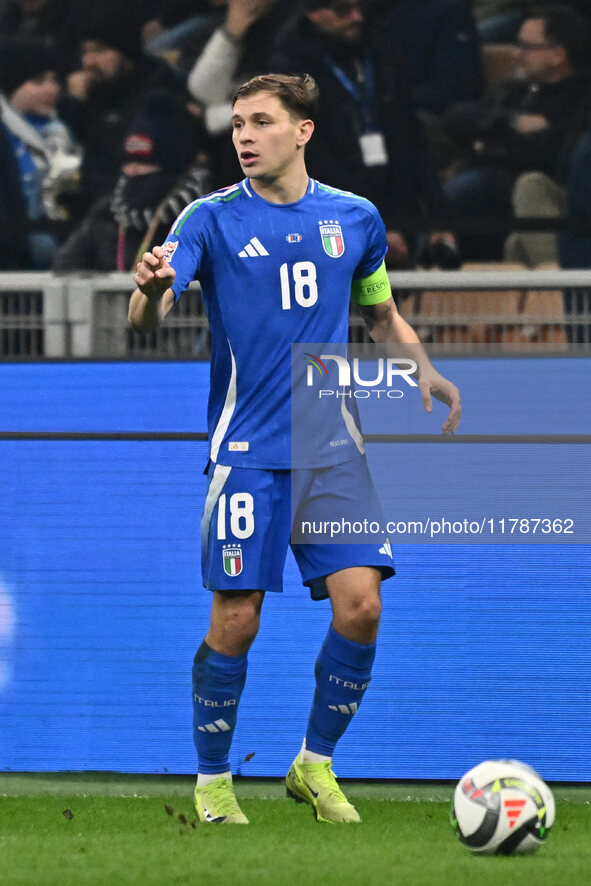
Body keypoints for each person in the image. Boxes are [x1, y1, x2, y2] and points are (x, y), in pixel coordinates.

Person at [129, 73, 461, 825]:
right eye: (238, 123)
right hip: (247, 446)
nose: (244, 136)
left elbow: (379, 315)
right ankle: (213, 779)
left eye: (261, 122)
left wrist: (423, 367)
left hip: (329, 444)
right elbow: (147, 318)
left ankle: (313, 766)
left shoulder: (355, 217)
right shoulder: (208, 219)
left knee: (362, 606)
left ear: (302, 131)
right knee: (237, 618)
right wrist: (148, 288)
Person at [269, 0, 459, 270]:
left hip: (397, 211)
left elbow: (412, 140)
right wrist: (372, 223)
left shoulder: (383, 53)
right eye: (342, 10)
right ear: (314, 13)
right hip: (326, 223)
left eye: (360, 7)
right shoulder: (289, 70)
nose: (356, 17)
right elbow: (311, 159)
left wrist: (438, 220)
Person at [443, 5, 591, 259]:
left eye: (526, 47)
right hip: (490, 178)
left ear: (557, 55)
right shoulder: (516, 89)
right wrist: (510, 122)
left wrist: (486, 144)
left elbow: (544, 150)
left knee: (456, 196)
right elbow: (455, 118)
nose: (515, 54)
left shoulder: (578, 98)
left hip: (522, 187)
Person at [53, 93, 210, 272]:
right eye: (128, 162)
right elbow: (65, 267)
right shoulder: (107, 212)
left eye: (146, 164)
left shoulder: (203, 215)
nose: (133, 171)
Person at [0, 37, 81, 268]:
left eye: (54, 80)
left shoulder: (62, 131)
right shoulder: (5, 139)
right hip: (14, 262)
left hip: (62, 256)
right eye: (37, 81)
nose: (51, 88)